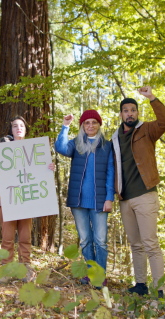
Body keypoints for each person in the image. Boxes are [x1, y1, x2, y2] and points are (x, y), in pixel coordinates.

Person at [0, 110, 54, 283]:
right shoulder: (2, 143)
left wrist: (48, 168)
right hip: (7, 197)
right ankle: (5, 269)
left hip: (26, 198)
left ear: (25, 130)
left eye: (21, 126)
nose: (18, 128)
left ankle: (26, 268)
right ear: (11, 129)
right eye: (15, 126)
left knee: (26, 236)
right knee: (7, 236)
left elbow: (39, 173)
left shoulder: (34, 150)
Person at [111, 86, 165, 297]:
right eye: (126, 110)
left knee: (150, 244)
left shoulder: (146, 130)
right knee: (135, 244)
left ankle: (159, 288)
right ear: (121, 114)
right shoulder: (115, 138)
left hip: (145, 195)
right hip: (125, 198)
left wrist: (152, 98)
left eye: (133, 110)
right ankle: (140, 284)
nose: (130, 113)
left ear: (137, 113)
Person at [55, 110, 115, 286]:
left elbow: (111, 173)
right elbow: (60, 147)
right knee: (85, 239)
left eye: (94, 122)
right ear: (82, 125)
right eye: (86, 123)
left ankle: (100, 277)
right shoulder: (76, 144)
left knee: (101, 241)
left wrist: (109, 197)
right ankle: (90, 272)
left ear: (99, 125)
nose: (90, 126)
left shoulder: (107, 146)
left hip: (100, 200)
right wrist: (65, 126)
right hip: (79, 200)